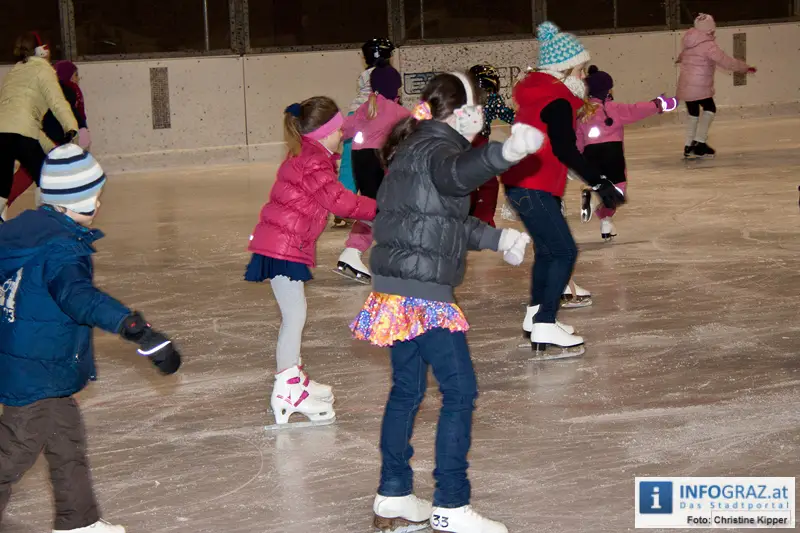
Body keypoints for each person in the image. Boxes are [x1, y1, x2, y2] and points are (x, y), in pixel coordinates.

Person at [351, 72, 544, 533]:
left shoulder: (411, 147)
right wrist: (505, 153)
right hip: (422, 294)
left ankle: (394, 495)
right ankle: (452, 504)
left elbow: (437, 220)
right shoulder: (439, 151)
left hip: (394, 289)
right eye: (476, 106)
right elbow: (457, 175)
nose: (480, 115)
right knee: (459, 391)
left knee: (407, 391)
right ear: (461, 112)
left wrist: (497, 238)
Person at [0, 144, 181, 533]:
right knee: (13, 453)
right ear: (70, 203)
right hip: (37, 372)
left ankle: (78, 522)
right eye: (92, 198)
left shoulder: (27, 231)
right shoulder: (62, 250)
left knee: (66, 443)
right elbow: (80, 298)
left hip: (35, 362)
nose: (98, 206)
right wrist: (136, 329)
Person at [245, 96, 376, 428]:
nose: (342, 135)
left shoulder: (309, 155)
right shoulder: (314, 162)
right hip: (283, 247)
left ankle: (294, 378)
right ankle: (288, 388)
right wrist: (380, 207)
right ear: (325, 133)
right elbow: (339, 202)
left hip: (282, 243)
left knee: (295, 314)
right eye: (338, 130)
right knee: (294, 316)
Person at [502, 21, 625, 358]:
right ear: (565, 69)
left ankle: (536, 315)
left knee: (548, 250)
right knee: (564, 252)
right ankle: (545, 322)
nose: (584, 77)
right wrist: (599, 182)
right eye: (581, 70)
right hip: (533, 185)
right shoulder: (557, 99)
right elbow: (565, 149)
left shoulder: (538, 92)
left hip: (522, 183)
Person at [576, 65, 678, 240]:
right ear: (607, 90)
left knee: (600, 185)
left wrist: (577, 160)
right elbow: (637, 109)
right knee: (617, 192)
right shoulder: (615, 109)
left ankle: (602, 216)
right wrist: (659, 104)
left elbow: (577, 139)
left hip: (590, 155)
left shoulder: (582, 113)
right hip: (612, 154)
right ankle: (602, 213)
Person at [336, 61, 409, 283]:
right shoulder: (398, 111)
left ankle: (353, 251)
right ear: (395, 87)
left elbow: (345, 129)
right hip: (380, 162)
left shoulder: (365, 108)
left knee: (371, 208)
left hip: (361, 162)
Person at [0, 32, 78, 218]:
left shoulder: (15, 71)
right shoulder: (44, 70)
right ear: (41, 51)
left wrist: (50, 147)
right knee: (45, 179)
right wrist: (71, 126)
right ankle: (47, 220)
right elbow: (57, 102)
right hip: (22, 134)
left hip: (2, 133)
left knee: (2, 186)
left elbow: (19, 120)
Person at [6, 60, 92, 210]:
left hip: (38, 137)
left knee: (29, 175)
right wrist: (81, 127)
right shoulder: (69, 90)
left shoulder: (47, 89)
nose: (78, 78)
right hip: (52, 141)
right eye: (75, 75)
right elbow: (71, 113)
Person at [333, 37, 395, 228]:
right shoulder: (387, 74)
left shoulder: (364, 75)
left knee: (349, 163)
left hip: (356, 114)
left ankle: (342, 206)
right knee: (380, 162)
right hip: (375, 117)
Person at [677, 13, 755, 158]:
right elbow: (726, 61)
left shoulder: (688, 41)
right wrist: (744, 67)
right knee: (710, 108)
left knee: (693, 114)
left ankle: (688, 146)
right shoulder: (709, 45)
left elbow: (682, 56)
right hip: (699, 85)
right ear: (709, 29)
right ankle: (699, 142)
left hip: (685, 85)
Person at [467, 64, 516, 227]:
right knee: (489, 183)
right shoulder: (492, 98)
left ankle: (469, 217)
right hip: (478, 143)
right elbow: (507, 115)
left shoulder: (463, 97)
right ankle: (483, 219)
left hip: (460, 143)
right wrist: (526, 117)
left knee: (468, 181)